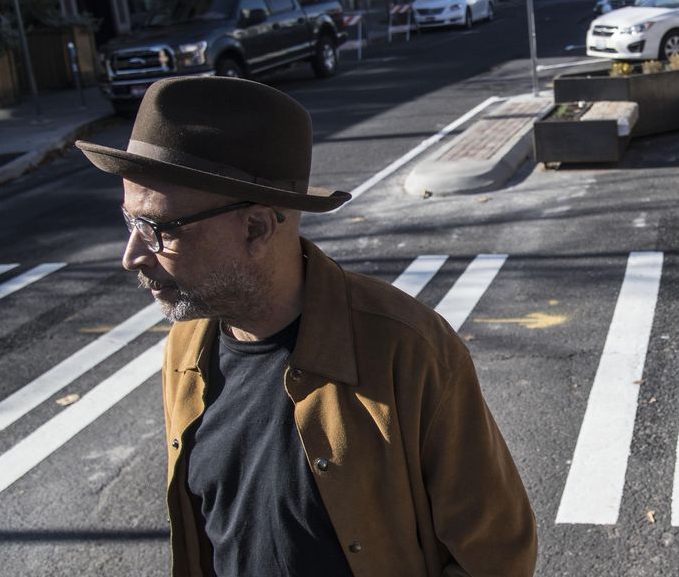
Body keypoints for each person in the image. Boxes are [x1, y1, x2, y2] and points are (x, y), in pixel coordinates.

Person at [75, 76, 537, 577]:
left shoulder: (408, 350)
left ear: (255, 227)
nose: (131, 257)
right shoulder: (186, 349)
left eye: (158, 230)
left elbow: (498, 557)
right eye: (130, 223)